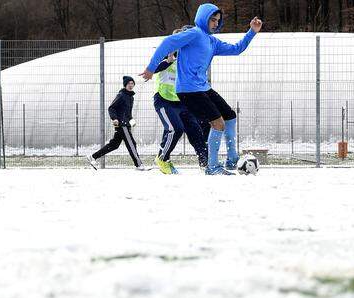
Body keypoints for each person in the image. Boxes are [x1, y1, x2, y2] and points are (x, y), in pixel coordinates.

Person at [140, 3, 262, 175]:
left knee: (229, 115)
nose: (215, 23)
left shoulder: (212, 40)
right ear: (203, 18)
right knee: (217, 123)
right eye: (212, 19)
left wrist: (252, 32)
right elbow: (168, 42)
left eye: (217, 21)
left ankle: (232, 158)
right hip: (189, 90)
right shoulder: (194, 33)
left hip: (203, 88)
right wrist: (152, 67)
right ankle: (212, 167)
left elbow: (236, 49)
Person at [153, 27, 209, 174]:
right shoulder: (166, 54)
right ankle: (162, 158)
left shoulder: (188, 57)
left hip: (182, 101)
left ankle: (205, 163)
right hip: (164, 100)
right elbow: (153, 69)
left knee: (196, 131)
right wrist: (167, 61)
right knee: (175, 129)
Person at [87, 76, 146, 170]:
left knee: (114, 145)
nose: (131, 85)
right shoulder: (121, 95)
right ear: (125, 85)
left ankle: (93, 157)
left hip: (125, 123)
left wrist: (131, 120)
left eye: (132, 83)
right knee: (132, 144)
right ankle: (139, 165)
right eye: (129, 84)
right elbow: (111, 107)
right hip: (122, 124)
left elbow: (128, 112)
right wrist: (114, 118)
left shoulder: (130, 97)